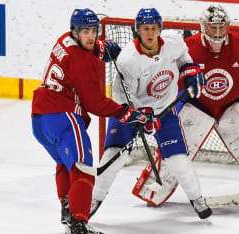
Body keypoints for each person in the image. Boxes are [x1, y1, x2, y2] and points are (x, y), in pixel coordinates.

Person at [132, 4, 239, 209]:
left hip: (233, 106)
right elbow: (167, 83)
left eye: (221, 28)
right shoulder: (187, 49)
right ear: (202, 27)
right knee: (174, 149)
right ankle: (152, 191)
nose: (217, 33)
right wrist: (157, 113)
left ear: (228, 27)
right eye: (212, 28)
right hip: (196, 108)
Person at [31, 8, 153, 234]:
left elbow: (86, 49)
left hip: (40, 119)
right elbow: (95, 104)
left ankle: (67, 208)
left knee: (66, 165)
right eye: (84, 31)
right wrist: (129, 114)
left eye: (93, 31)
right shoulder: (82, 62)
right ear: (74, 32)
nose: (90, 36)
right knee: (84, 170)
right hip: (63, 117)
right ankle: (79, 224)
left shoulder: (64, 41)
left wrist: (100, 48)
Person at [90, 7, 212, 220]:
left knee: (178, 161)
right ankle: (92, 200)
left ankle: (197, 198)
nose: (150, 33)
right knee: (112, 158)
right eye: (145, 28)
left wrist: (190, 71)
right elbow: (121, 99)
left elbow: (183, 57)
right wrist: (142, 117)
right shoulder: (128, 60)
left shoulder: (172, 42)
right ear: (138, 30)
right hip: (130, 113)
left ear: (160, 29)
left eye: (154, 28)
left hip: (165, 110)